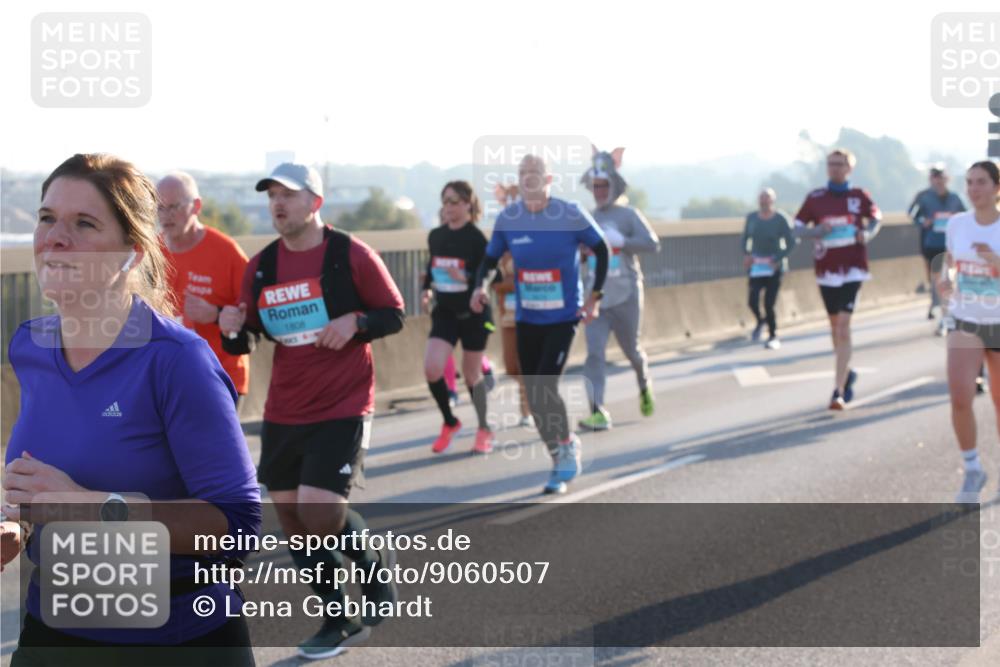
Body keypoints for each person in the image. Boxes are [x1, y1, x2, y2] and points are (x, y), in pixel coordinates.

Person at [2, 153, 261, 666]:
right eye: (47, 217)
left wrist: (94, 508)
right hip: (54, 630)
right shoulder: (29, 347)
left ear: (132, 254)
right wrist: (19, 525)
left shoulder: (176, 360)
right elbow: (48, 482)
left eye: (84, 223)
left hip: (177, 640)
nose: (54, 237)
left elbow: (237, 523)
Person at [218, 162, 405, 659]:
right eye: (272, 196)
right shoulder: (262, 266)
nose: (278, 204)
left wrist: (355, 321)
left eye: (289, 195)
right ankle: (337, 617)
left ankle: (371, 566)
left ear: (315, 203)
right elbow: (246, 336)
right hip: (286, 405)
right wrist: (231, 324)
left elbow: (394, 313)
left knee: (319, 509)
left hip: (343, 401)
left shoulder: (349, 254)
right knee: (293, 517)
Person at [471, 154, 610, 494]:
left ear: (548, 180)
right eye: (523, 172)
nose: (529, 177)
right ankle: (559, 451)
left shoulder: (569, 214)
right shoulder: (509, 219)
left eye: (535, 172)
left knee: (546, 384)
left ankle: (564, 449)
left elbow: (602, 250)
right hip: (527, 317)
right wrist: (480, 286)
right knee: (534, 393)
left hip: (563, 317)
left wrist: (595, 297)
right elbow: (489, 261)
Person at [578, 147, 660, 431]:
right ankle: (597, 409)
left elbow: (652, 243)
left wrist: (623, 242)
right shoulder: (587, 218)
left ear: (613, 186)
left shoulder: (628, 215)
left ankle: (643, 383)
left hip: (626, 293)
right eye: (595, 186)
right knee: (595, 353)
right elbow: (578, 256)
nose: (599, 191)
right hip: (597, 298)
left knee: (632, 351)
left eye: (603, 186)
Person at [794, 149, 882, 410]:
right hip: (826, 270)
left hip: (853, 268)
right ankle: (846, 371)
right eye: (831, 164)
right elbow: (796, 228)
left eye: (840, 164)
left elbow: (876, 218)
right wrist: (817, 231)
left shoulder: (859, 196)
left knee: (843, 326)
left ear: (849, 168)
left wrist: (866, 233)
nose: (835, 168)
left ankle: (838, 391)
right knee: (835, 327)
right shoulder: (816, 198)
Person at [158, 171, 251, 406]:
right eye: (160, 208)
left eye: (174, 207)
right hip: (167, 376)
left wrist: (216, 314)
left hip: (219, 375)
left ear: (196, 206)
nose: (166, 216)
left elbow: (254, 320)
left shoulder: (226, 252)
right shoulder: (150, 252)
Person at [937, 160, 1000, 503]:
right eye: (970, 182)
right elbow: (950, 263)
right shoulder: (958, 224)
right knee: (960, 396)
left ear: (996, 187)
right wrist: (945, 280)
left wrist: (995, 260)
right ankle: (972, 468)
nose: (974, 189)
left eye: (981, 182)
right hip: (966, 319)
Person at [421, 181, 496, 454]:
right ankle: (450, 422)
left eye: (454, 201)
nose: (449, 207)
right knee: (432, 368)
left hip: (473, 314)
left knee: (471, 375)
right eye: (445, 201)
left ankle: (485, 427)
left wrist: (465, 278)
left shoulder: (476, 238)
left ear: (467, 204)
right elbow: (431, 268)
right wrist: (426, 290)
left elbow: (489, 272)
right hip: (446, 313)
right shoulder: (436, 236)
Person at [909, 166, 967, 335]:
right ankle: (942, 312)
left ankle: (946, 314)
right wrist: (922, 222)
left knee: (947, 278)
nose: (938, 180)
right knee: (938, 280)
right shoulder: (923, 197)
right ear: (930, 179)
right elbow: (912, 213)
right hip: (932, 243)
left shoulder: (956, 198)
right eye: (934, 176)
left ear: (946, 178)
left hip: (952, 245)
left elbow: (966, 216)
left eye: (941, 176)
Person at [741, 188, 796, 350]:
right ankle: (760, 320)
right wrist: (747, 254)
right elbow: (744, 239)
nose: (764, 202)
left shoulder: (780, 219)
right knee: (752, 300)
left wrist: (778, 258)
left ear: (773, 201)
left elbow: (792, 241)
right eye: (762, 199)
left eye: (767, 199)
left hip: (774, 267)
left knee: (769, 303)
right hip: (757, 266)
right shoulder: (751, 218)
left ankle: (773, 334)